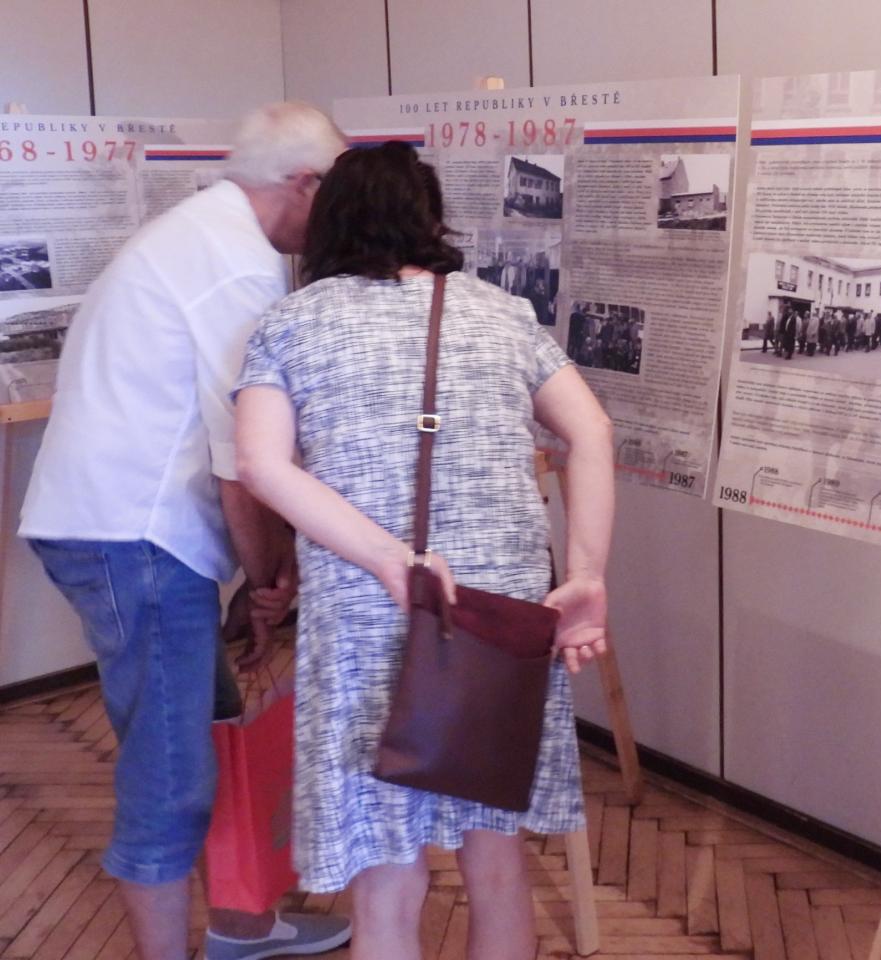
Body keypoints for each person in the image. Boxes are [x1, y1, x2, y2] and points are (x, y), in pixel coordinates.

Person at [232, 142, 614, 960]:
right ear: (429, 220)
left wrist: (384, 557)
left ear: (330, 223)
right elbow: (591, 431)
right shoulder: (500, 312)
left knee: (386, 876)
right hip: (495, 613)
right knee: (497, 861)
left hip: (369, 612)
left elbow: (258, 464)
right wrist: (586, 573)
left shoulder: (291, 323)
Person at [18, 103, 351, 960]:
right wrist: (269, 581)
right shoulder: (234, 266)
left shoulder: (205, 234)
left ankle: (242, 925)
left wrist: (257, 579)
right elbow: (246, 461)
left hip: (122, 527)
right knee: (171, 774)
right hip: (132, 534)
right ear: (304, 184)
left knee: (209, 723)